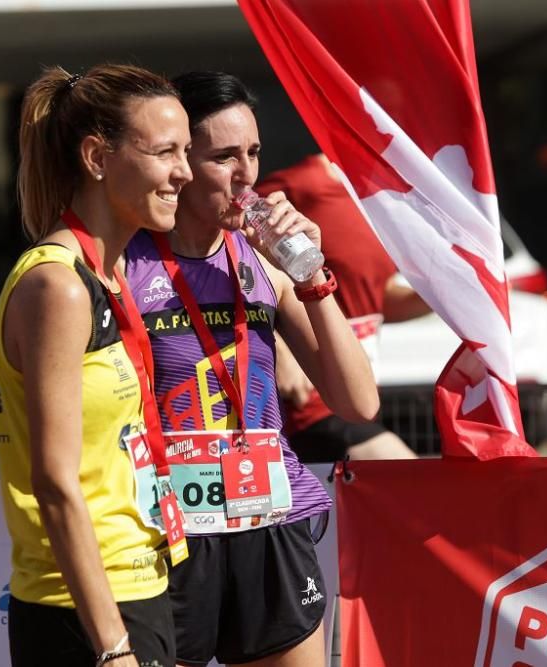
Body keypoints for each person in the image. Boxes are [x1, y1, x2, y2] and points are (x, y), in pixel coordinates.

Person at [123, 72, 379, 667]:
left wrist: (313, 276)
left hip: (268, 516)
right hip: (169, 530)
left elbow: (359, 403)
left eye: (254, 153)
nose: (247, 176)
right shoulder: (124, 262)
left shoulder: (265, 262)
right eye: (225, 157)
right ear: (181, 164)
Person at [0, 64, 193, 667]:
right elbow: (54, 483)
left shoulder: (112, 274)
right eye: (164, 152)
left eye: (185, 151)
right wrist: (112, 647)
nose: (183, 170)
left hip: (135, 587)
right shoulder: (60, 286)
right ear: (97, 157)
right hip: (84, 614)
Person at [257, 154, 424, 462]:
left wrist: (441, 297)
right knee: (417, 492)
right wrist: (276, 347)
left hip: (357, 394)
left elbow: (374, 297)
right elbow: (238, 251)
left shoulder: (381, 197)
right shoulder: (302, 184)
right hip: (309, 403)